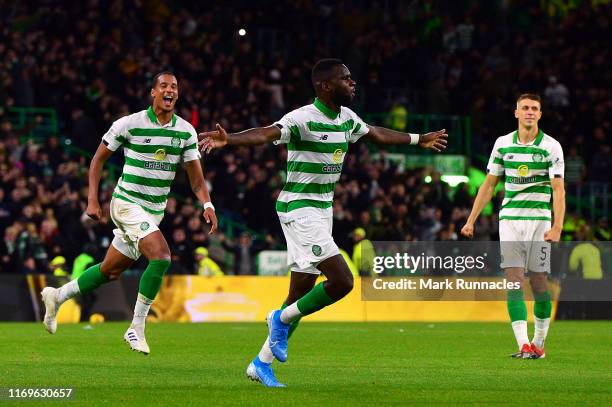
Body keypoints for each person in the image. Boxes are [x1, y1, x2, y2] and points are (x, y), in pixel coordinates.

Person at [199, 59, 447, 386]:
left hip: (322, 210)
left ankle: (261, 363)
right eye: (345, 78)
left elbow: (376, 134)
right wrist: (229, 139)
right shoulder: (303, 118)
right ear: (326, 86)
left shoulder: (347, 119)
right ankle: (278, 319)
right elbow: (266, 133)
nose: (352, 82)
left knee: (300, 293)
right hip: (299, 208)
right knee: (343, 281)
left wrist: (419, 139)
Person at [40, 72, 218, 355]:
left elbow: (196, 180)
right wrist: (92, 200)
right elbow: (98, 160)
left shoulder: (185, 131)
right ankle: (136, 327)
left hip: (153, 212)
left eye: (174, 87)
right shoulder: (129, 124)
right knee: (161, 256)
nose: (169, 90)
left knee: (109, 271)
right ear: (153, 92)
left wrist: (207, 205)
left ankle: (57, 296)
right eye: (164, 86)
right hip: (125, 204)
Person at [461, 93, 565, 359]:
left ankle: (539, 344)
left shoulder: (551, 146)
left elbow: (558, 189)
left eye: (535, 108)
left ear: (540, 114)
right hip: (509, 221)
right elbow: (489, 184)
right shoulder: (503, 143)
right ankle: (523, 345)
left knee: (540, 282)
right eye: (525, 108)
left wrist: (557, 227)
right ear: (516, 112)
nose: (530, 112)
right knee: (514, 281)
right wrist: (471, 219)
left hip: (539, 222)